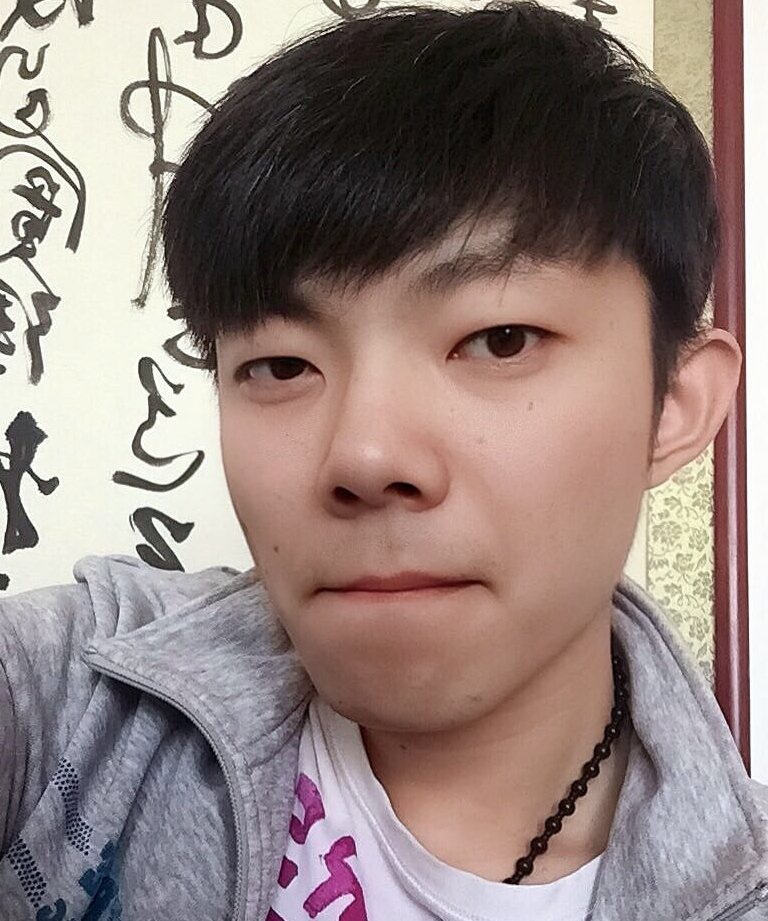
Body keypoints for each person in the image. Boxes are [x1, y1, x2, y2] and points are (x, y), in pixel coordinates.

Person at [0, 2, 764, 919]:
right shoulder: (79, 715)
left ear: (675, 404)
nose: (364, 453)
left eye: (499, 338)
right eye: (281, 364)